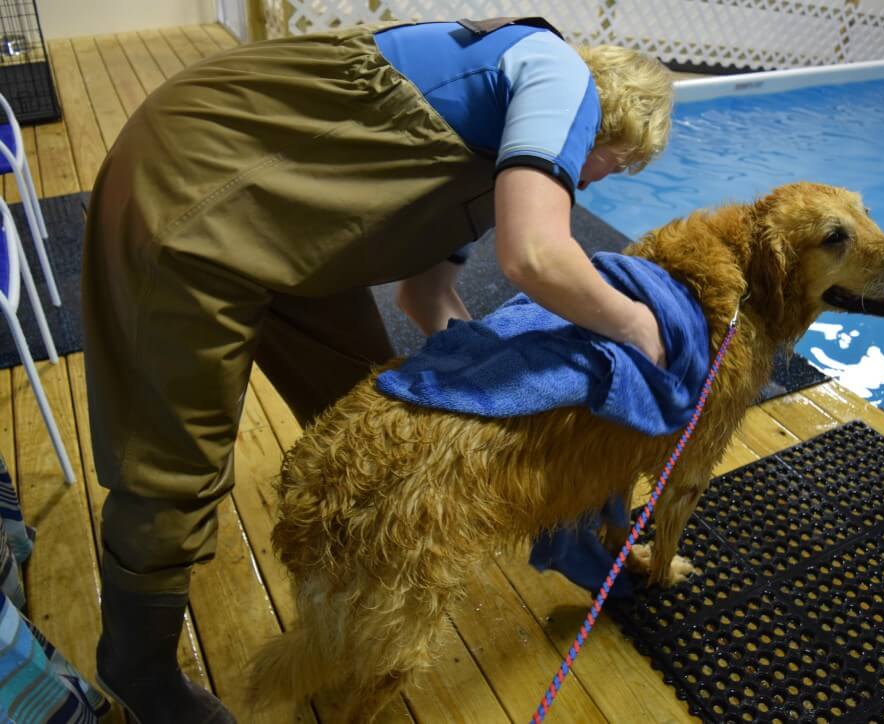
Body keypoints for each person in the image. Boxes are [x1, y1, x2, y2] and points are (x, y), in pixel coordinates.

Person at [82, 16, 672, 722]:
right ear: (614, 126)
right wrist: (638, 327)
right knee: (171, 468)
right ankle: (139, 668)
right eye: (618, 163)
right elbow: (536, 256)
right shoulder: (559, 75)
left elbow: (425, 298)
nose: (602, 179)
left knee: (374, 418)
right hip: (188, 195)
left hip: (279, 227)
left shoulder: (497, 153)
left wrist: (513, 409)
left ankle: (338, 616)